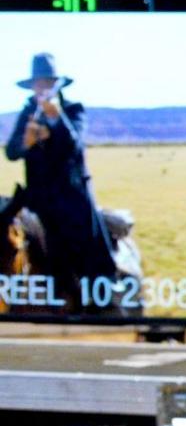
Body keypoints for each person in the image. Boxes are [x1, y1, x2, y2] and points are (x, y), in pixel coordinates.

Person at [4, 53, 118, 304]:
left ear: (56, 85)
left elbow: (74, 145)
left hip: (70, 196)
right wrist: (27, 141)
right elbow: (11, 152)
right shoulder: (26, 113)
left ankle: (98, 297)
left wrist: (56, 120)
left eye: (47, 82)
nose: (42, 88)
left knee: (84, 243)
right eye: (38, 83)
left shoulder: (73, 110)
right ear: (32, 86)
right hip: (36, 197)